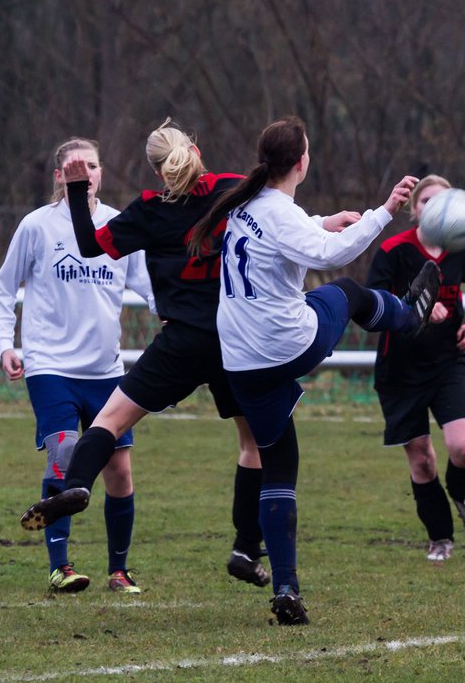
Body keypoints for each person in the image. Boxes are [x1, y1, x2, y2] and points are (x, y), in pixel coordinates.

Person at [185, 117, 446, 625]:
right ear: (302, 161)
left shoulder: (247, 201)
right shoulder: (277, 210)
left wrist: (323, 221)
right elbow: (332, 255)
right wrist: (385, 211)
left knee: (278, 465)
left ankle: (285, 589)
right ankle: (407, 316)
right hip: (285, 345)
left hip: (240, 359)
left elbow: (290, 236)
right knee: (345, 293)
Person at [17, 120, 272, 589]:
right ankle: (243, 545)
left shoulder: (151, 209)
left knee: (107, 425)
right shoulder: (234, 189)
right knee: (253, 444)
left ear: (158, 169)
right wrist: (327, 224)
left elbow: (91, 246)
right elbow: (280, 220)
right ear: (195, 150)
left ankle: (76, 483)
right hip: (234, 338)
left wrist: (77, 191)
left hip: (180, 342)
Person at [0, 138, 157, 595]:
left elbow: (150, 288)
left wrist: (183, 322)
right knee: (64, 454)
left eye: (92, 165)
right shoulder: (37, 227)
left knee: (119, 472)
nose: (84, 172)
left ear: (101, 174)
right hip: (50, 366)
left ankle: (118, 571)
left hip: (106, 372)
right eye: (73, 167)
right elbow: (4, 288)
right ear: (59, 177)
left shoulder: (118, 227)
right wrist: (5, 343)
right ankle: (59, 567)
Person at [367, 175, 465, 564]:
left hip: (447, 363)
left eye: (443, 201)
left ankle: (464, 494)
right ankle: (440, 537)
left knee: (464, 449)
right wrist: (413, 307)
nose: (435, 209)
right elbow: (371, 305)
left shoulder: (462, 246)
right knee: (422, 460)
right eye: (427, 203)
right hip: (400, 370)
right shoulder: (393, 250)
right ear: (415, 210)